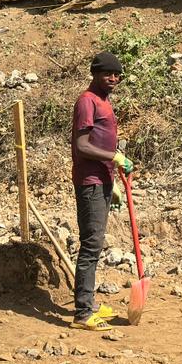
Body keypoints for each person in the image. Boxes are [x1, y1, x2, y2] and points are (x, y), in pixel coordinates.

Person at [70, 51, 132, 330]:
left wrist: (113, 181)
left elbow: (102, 143)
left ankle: (90, 303)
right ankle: (83, 314)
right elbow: (82, 146)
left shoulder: (103, 102)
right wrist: (114, 158)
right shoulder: (87, 101)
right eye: (108, 73)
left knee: (96, 243)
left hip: (103, 180)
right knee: (91, 245)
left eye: (117, 74)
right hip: (90, 182)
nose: (114, 78)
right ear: (95, 73)